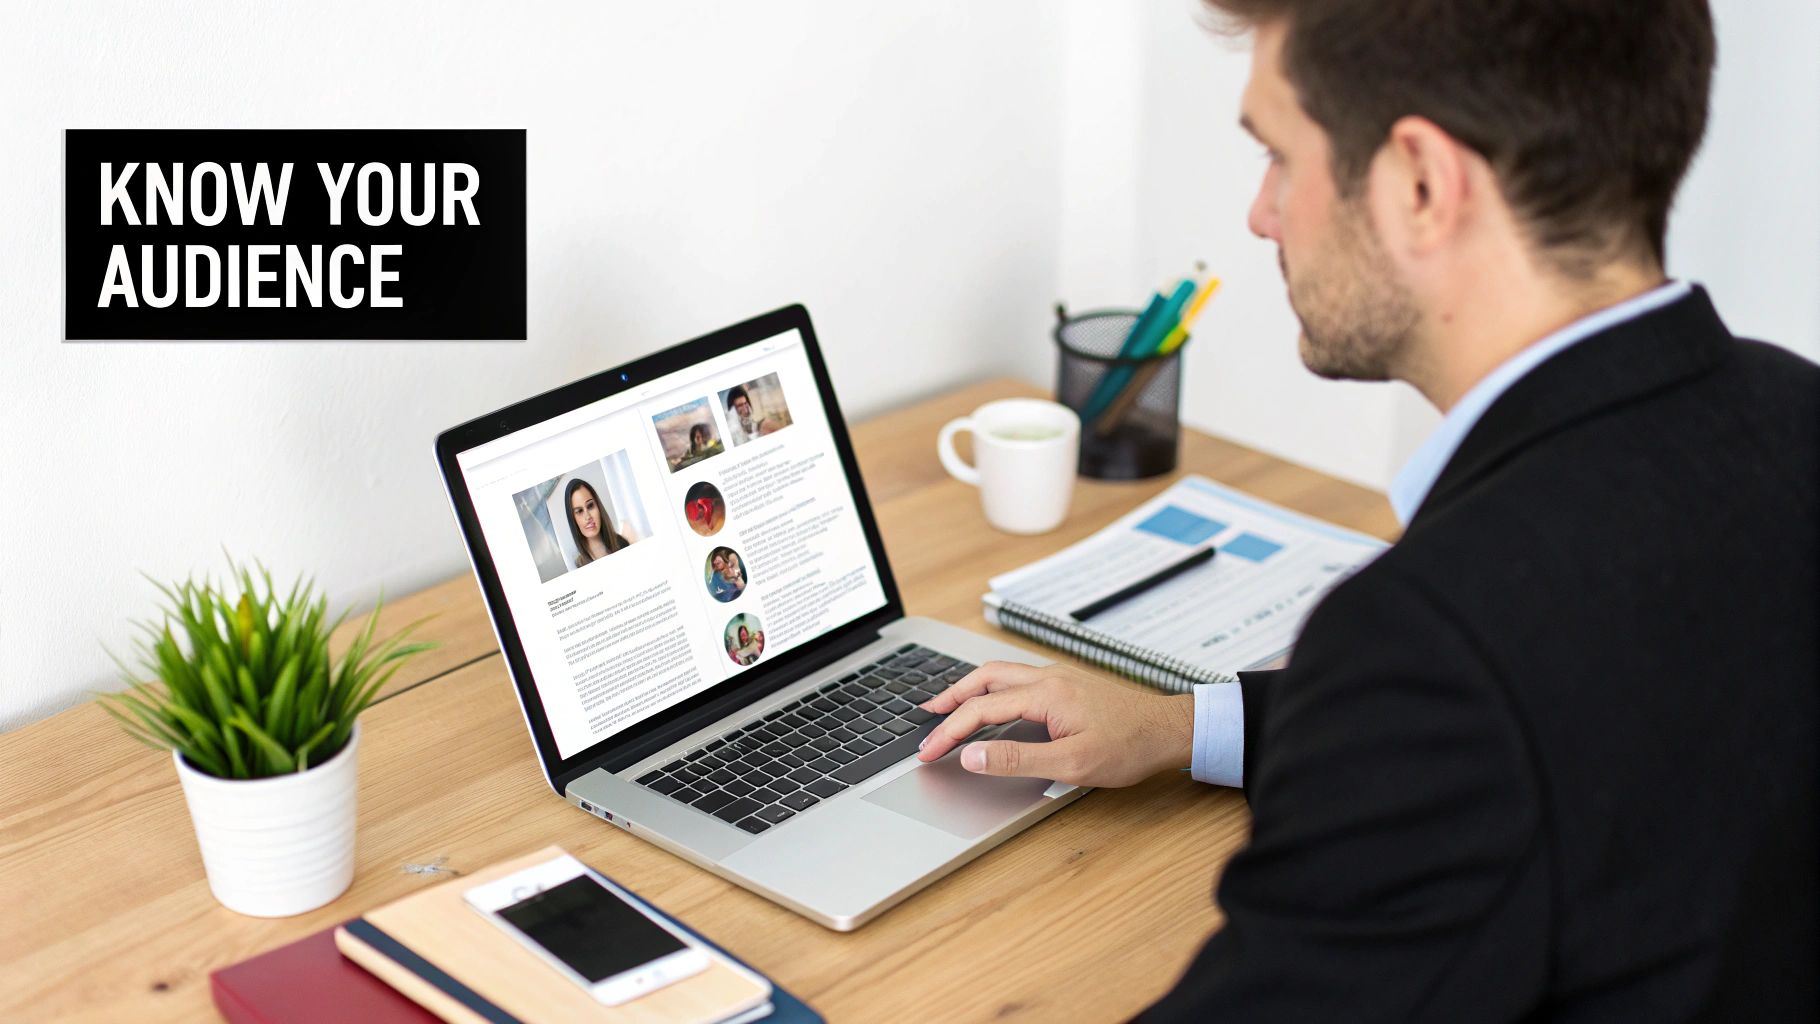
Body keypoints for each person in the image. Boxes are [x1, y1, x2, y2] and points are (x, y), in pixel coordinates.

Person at [916, 1, 1817, 1018]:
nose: (1260, 213)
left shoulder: (1430, 646)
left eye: (1277, 157)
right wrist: (1184, 725)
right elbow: (1598, 725)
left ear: (1422, 186)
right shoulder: (1791, 410)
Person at [564, 479, 631, 568]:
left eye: (590, 506)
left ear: (598, 507)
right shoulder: (577, 566)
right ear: (573, 519)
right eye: (579, 511)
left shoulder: (622, 543)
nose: (588, 517)